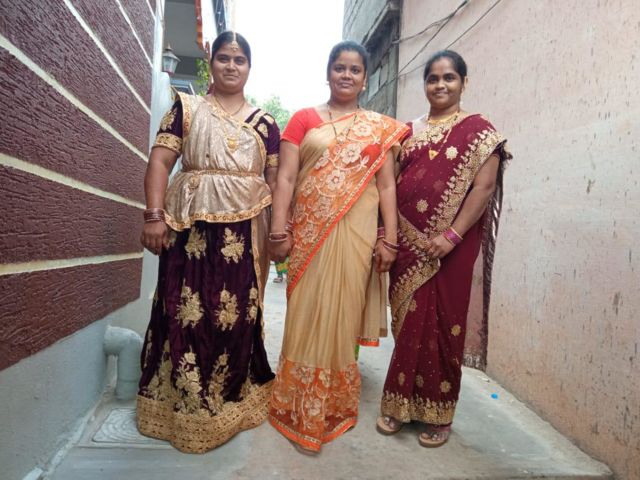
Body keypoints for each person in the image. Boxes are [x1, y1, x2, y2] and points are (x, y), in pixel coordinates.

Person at [136, 31, 279, 453]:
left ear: (249, 67)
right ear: (211, 63)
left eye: (239, 59)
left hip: (244, 236)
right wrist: (154, 215)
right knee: (185, 315)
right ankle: (180, 407)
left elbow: (275, 182)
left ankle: (230, 401)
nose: (231, 66)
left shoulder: (266, 123)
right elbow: (160, 161)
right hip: (189, 234)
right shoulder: (187, 109)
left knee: (234, 317)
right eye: (224, 58)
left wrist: (278, 235)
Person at [268, 40, 410, 454]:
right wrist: (278, 230)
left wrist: (390, 238)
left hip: (356, 236)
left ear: (365, 79)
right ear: (327, 73)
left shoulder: (379, 128)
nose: (346, 75)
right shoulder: (303, 119)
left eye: (355, 69)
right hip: (309, 233)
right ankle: (295, 403)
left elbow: (387, 186)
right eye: (339, 67)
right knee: (305, 313)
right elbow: (286, 179)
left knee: (342, 314)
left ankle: (331, 404)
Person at [376, 50, 511, 447]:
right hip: (408, 244)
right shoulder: (406, 132)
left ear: (463, 82)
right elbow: (388, 184)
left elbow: (484, 188)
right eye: (433, 78)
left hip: (451, 247)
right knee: (408, 325)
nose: (440, 85)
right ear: (425, 84)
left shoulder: (480, 132)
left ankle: (439, 413)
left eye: (449, 77)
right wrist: (387, 232)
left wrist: (451, 236)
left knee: (444, 327)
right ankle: (399, 403)